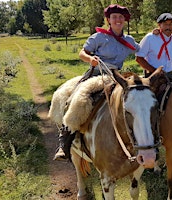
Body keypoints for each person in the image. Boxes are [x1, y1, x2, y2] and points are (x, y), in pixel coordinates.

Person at [54, 4, 139, 161]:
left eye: (121, 17)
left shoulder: (129, 40)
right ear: (108, 20)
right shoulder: (99, 37)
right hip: (96, 74)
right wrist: (90, 59)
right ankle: (64, 142)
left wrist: (157, 34)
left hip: (116, 75)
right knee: (79, 99)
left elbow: (142, 50)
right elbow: (82, 53)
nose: (118, 20)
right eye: (114, 17)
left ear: (125, 20)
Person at [135, 13, 172, 78]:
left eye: (171, 24)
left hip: (171, 76)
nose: (168, 27)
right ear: (159, 25)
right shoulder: (150, 38)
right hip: (152, 75)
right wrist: (155, 71)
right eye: (165, 24)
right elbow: (139, 58)